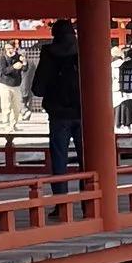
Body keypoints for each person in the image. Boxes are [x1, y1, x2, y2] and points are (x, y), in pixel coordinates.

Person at [31, 17, 84, 177]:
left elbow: (38, 89)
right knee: (88, 161)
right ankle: (90, 200)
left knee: (59, 160)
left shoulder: (49, 55)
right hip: (83, 113)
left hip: (58, 115)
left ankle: (61, 199)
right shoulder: (85, 52)